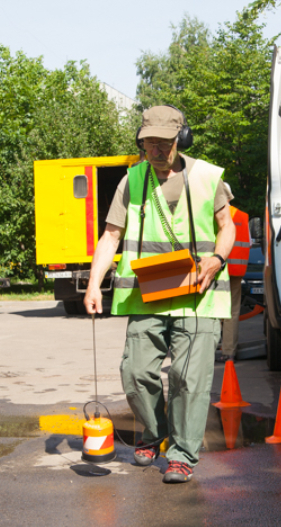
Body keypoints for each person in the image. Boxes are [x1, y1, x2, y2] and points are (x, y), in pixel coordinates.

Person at [84, 105, 235, 484]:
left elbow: (226, 226)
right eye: (148, 141)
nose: (155, 150)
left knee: (189, 378)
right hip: (146, 294)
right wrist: (92, 283)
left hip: (198, 294)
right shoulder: (132, 180)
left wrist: (217, 258)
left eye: (164, 143)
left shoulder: (206, 177)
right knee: (135, 373)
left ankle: (182, 455)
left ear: (181, 140)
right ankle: (154, 432)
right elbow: (111, 236)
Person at [217, 190, 249, 363]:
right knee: (232, 310)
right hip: (236, 270)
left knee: (212, 308)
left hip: (216, 268)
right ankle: (229, 351)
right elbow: (248, 243)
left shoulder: (213, 214)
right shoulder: (243, 216)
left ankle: (212, 345)